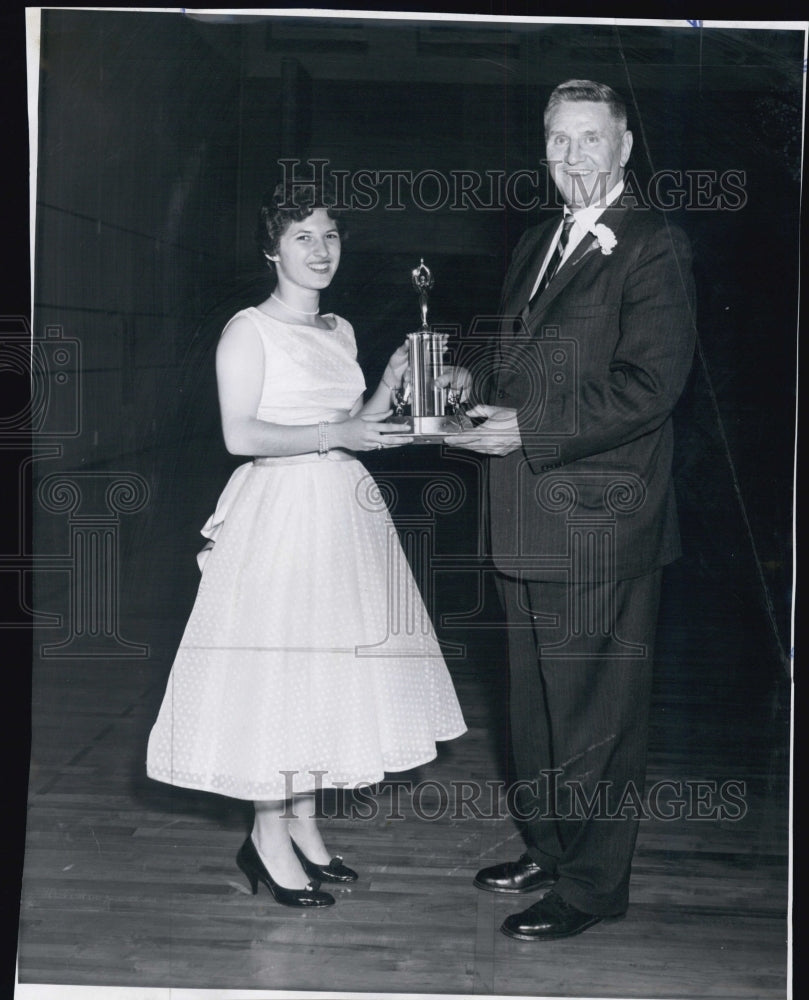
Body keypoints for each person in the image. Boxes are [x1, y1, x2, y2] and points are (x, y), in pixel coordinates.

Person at [146, 181, 466, 908]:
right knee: (280, 674)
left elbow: (355, 421)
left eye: (329, 236)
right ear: (272, 249)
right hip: (282, 515)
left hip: (343, 512)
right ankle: (264, 834)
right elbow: (241, 436)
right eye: (302, 238)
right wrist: (338, 433)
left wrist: (386, 385)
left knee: (326, 671)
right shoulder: (247, 330)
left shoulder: (341, 331)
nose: (319, 251)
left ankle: (304, 827)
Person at [447, 80, 696, 940]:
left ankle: (592, 887)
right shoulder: (534, 241)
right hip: (523, 521)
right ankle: (550, 849)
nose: (572, 158)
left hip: (599, 526)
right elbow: (520, 367)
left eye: (589, 140)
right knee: (537, 708)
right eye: (557, 140)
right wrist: (470, 384)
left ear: (624, 148)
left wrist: (522, 428)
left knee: (594, 714)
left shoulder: (654, 244)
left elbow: (649, 388)